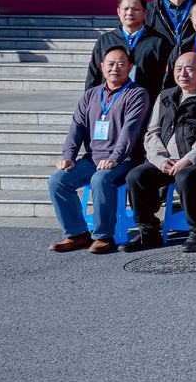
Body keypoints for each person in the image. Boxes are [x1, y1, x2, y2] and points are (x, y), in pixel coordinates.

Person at [124, 50, 196, 252]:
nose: (183, 74)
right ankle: (148, 230)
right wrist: (159, 159)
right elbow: (152, 131)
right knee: (136, 176)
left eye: (189, 69)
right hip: (167, 161)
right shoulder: (165, 96)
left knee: (185, 177)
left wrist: (189, 159)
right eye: (178, 69)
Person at [49, 47, 151, 253]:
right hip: (93, 158)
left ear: (130, 67)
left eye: (121, 64)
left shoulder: (137, 94)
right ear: (102, 67)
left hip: (125, 159)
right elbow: (76, 128)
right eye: (111, 64)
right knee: (58, 181)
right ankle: (77, 234)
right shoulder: (91, 95)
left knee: (100, 179)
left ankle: (104, 236)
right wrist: (68, 156)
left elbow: (130, 132)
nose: (115, 68)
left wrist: (115, 158)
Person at [86, 0, 169, 91]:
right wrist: (90, 97)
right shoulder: (105, 40)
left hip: (145, 97)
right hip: (110, 97)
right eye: (125, 9)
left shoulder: (159, 41)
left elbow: (165, 77)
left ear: (145, 13)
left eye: (136, 9)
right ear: (118, 12)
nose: (130, 13)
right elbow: (94, 74)